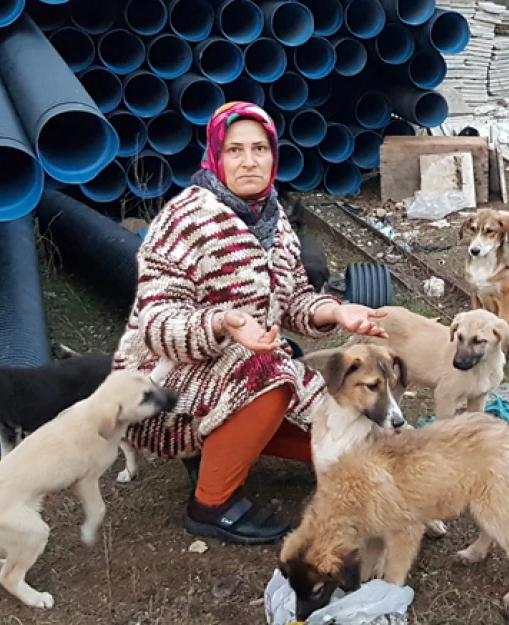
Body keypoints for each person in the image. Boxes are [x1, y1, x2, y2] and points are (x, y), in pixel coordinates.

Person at [112, 101, 387, 545]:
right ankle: (211, 505)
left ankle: (218, 446)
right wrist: (223, 323)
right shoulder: (184, 220)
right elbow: (156, 324)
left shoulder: (273, 219)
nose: (249, 161)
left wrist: (335, 310)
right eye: (235, 150)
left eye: (259, 149)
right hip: (163, 383)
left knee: (356, 432)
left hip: (243, 366)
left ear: (273, 155)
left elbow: (295, 299)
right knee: (274, 372)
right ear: (215, 157)